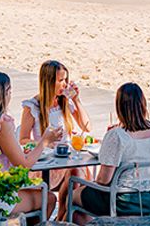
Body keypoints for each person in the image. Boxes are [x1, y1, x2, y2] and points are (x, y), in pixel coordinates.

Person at [71, 82, 150, 225]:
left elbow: (104, 180)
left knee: (74, 194)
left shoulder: (117, 136)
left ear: (119, 107)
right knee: (81, 206)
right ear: (143, 104)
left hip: (123, 202)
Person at [0, 71, 62, 219]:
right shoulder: (1, 124)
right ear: (5, 94)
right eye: (9, 91)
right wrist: (46, 140)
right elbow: (23, 165)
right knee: (49, 198)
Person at [20, 60, 92, 220]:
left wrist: (77, 100)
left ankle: (62, 218)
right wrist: (45, 143)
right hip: (46, 164)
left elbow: (87, 127)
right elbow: (23, 139)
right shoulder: (33, 106)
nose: (65, 84)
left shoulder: (65, 102)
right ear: (48, 81)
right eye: (61, 80)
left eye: (66, 79)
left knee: (77, 172)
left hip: (66, 161)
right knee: (75, 173)